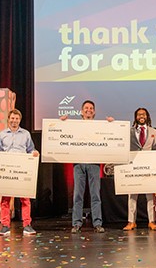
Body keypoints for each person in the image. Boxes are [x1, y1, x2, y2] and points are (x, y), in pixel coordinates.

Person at [61, 100, 113, 234]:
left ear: (94, 112)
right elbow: (61, 134)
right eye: (86, 108)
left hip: (94, 164)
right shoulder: (75, 126)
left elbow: (111, 135)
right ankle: (77, 223)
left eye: (91, 108)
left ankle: (97, 223)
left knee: (95, 195)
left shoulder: (99, 126)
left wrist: (111, 125)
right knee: (78, 195)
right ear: (81, 111)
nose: (88, 110)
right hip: (78, 164)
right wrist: (62, 123)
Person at [0, 109, 39, 236]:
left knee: (25, 199)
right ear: (8, 119)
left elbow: (31, 149)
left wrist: (34, 153)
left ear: (20, 120)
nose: (14, 121)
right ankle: (5, 226)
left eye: (17, 119)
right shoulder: (2, 134)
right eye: (12, 118)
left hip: (22, 170)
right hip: (7, 170)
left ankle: (27, 225)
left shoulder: (25, 134)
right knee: (5, 199)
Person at [123, 108, 156, 231]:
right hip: (133, 166)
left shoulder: (153, 131)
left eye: (143, 114)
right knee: (132, 195)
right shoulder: (129, 131)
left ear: (147, 116)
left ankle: (152, 221)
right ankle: (131, 222)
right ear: (136, 117)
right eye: (139, 114)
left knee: (150, 196)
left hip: (148, 167)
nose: (141, 116)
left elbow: (154, 150)